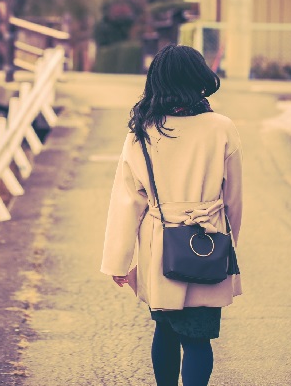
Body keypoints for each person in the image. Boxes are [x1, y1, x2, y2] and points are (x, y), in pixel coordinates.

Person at [100, 44, 243, 386]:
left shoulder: (141, 133)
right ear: (199, 80)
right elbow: (234, 199)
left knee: (164, 329)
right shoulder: (222, 128)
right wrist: (228, 243)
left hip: (159, 247)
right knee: (197, 340)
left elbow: (126, 203)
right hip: (208, 243)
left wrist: (118, 262)